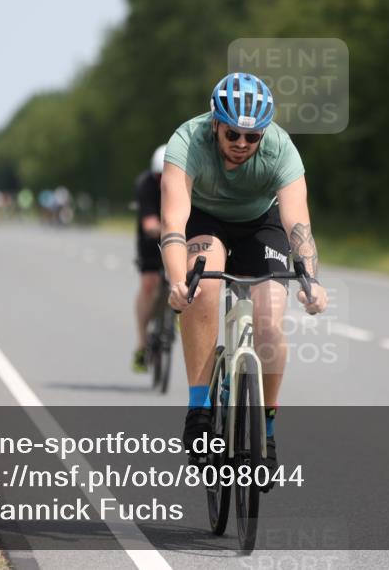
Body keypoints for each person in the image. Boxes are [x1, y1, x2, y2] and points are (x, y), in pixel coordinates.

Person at [159, 72, 328, 477]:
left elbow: (297, 225)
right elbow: (173, 222)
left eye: (252, 138)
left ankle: (266, 429)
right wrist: (177, 281)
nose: (241, 144)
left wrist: (311, 280)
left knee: (271, 317)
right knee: (203, 288)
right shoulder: (187, 141)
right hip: (205, 218)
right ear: (215, 123)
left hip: (260, 222)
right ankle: (199, 409)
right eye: (232, 133)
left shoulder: (282, 149)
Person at [132, 145, 167, 372]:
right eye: (159, 177)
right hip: (152, 238)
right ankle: (143, 343)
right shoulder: (146, 184)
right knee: (149, 284)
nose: (163, 181)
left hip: (181, 235)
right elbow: (149, 224)